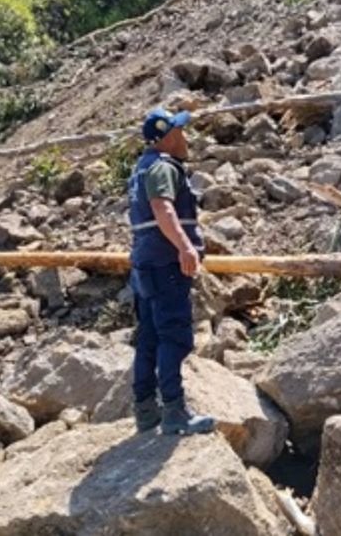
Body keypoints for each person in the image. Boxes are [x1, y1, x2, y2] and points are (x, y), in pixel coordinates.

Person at [128, 107, 215, 436]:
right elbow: (162, 208)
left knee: (149, 337)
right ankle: (175, 411)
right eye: (180, 131)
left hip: (145, 263)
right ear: (166, 138)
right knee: (174, 336)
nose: (186, 136)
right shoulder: (163, 167)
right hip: (166, 265)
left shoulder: (142, 168)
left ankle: (145, 409)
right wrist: (185, 246)